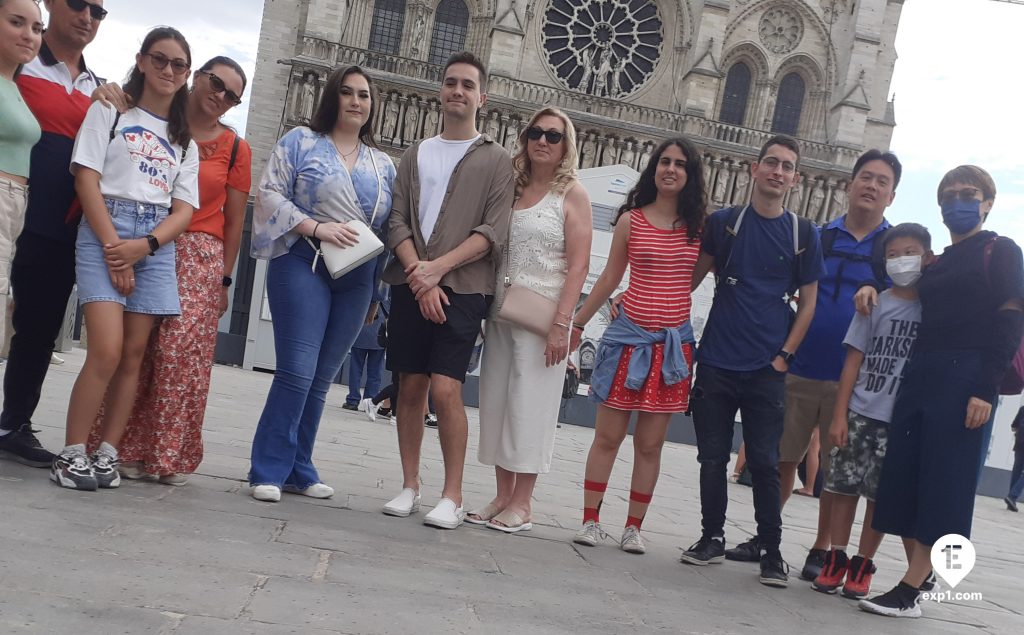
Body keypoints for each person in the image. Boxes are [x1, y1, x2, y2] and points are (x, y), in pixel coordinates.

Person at [858, 166, 1024, 618]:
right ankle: (921, 572)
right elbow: (898, 277)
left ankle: (912, 586)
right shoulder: (940, 261)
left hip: (965, 376)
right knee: (906, 480)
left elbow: (1011, 317)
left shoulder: (1001, 250)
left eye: (967, 193)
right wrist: (872, 285)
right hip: (921, 375)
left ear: (988, 202)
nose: (957, 201)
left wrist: (984, 390)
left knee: (943, 482)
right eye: (948, 195)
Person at [86, 56, 251, 485]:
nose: (220, 96)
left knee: (180, 356)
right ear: (197, 78)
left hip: (199, 253)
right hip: (147, 239)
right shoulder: (155, 119)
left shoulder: (236, 148)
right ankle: (114, 446)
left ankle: (165, 454)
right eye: (216, 83)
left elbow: (234, 221)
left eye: (232, 95)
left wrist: (224, 279)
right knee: (134, 352)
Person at [52, 27, 199, 491]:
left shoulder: (184, 140)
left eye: (179, 64)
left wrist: (146, 247)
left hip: (154, 241)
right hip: (105, 229)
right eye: (160, 59)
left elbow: (184, 210)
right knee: (107, 349)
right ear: (140, 60)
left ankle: (107, 452)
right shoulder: (109, 110)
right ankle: (72, 450)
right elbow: (86, 180)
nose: (168, 70)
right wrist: (117, 248)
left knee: (135, 354)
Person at [679, 135, 825, 588]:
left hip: (766, 368)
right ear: (753, 169)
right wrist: (639, 296)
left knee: (765, 460)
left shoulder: (804, 233)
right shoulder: (724, 224)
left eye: (786, 166)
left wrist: (784, 357)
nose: (777, 172)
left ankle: (771, 550)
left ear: (795, 179)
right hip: (718, 362)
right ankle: (712, 537)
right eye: (771, 163)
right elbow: (688, 280)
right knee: (711, 458)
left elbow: (809, 304)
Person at [248, 65, 396, 503]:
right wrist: (316, 227)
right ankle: (268, 468)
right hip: (303, 262)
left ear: (372, 105)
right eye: (347, 92)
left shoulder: (383, 164)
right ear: (332, 97)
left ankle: (299, 467)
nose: (356, 101)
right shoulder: (301, 141)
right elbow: (270, 193)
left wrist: (378, 291)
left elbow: (389, 229)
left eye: (364, 95)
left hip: (358, 276)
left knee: (322, 376)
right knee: (296, 369)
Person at [380, 51, 514, 529]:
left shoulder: (498, 160)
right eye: (450, 83)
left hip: (464, 286)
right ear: (441, 91)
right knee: (409, 386)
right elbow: (396, 219)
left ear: (483, 96)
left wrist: (437, 270)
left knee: (446, 388)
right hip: (413, 281)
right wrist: (420, 274)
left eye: (467, 85)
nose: (457, 91)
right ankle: (409, 485)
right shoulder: (416, 154)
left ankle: (452, 495)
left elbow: (492, 231)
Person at [569, 137, 706, 554]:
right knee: (607, 438)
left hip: (670, 349)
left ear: (691, 174)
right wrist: (576, 323)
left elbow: (694, 278)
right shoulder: (632, 220)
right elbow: (610, 277)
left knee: (650, 444)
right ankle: (591, 520)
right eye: (664, 161)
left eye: (680, 164)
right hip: (627, 340)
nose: (670, 169)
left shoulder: (700, 228)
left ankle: (633, 527)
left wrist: (668, 305)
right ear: (653, 169)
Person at [777, 150, 901, 581]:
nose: (871, 186)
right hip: (803, 364)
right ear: (849, 184)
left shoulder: (896, 250)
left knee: (835, 472)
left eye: (881, 181)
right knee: (783, 457)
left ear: (892, 194)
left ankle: (821, 548)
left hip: (854, 380)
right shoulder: (818, 235)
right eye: (865, 177)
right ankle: (768, 534)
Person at [469, 107, 592, 533]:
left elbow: (578, 266)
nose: (543, 141)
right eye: (535, 133)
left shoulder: (572, 193)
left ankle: (523, 502)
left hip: (542, 318)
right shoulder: (513, 188)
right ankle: (502, 494)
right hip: (503, 310)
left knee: (530, 408)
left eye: (553, 136)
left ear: (565, 146)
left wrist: (563, 324)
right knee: (499, 404)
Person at [0, 0, 105, 467]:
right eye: (79, 4)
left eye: (99, 12)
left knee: (38, 330)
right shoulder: (17, 63)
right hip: (9, 211)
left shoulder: (100, 90)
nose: (88, 17)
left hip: (58, 227)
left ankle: (13, 423)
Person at [812, 223, 930, 600]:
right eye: (892, 255)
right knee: (843, 488)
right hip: (862, 412)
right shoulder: (874, 302)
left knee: (879, 497)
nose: (901, 261)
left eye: (909, 253)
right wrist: (839, 415)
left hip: (899, 422)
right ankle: (837, 556)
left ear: (927, 257)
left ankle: (863, 563)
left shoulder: (932, 311)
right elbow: (852, 362)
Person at [0, 0, 44, 352]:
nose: (28, 35)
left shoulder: (14, 84)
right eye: (17, 22)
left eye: (36, 28)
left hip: (14, 208)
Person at [345, 287, 388, 412]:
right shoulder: (386, 281)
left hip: (361, 328)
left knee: (355, 369)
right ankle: (370, 400)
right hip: (379, 332)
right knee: (375, 371)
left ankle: (352, 400)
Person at [1007, 407, 1024, 512]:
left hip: (1019, 444)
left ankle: (1011, 501)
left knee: (1016, 472)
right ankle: (1012, 497)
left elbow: (1013, 427)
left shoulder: (1023, 409)